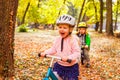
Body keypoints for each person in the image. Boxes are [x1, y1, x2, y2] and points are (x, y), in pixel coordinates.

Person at [40, 14, 80, 80]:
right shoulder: (57, 39)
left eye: (65, 28)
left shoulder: (73, 40)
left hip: (70, 67)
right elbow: (53, 49)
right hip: (59, 66)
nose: (62, 29)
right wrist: (45, 53)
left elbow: (76, 52)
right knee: (54, 77)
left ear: (70, 29)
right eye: (60, 27)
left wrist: (68, 58)